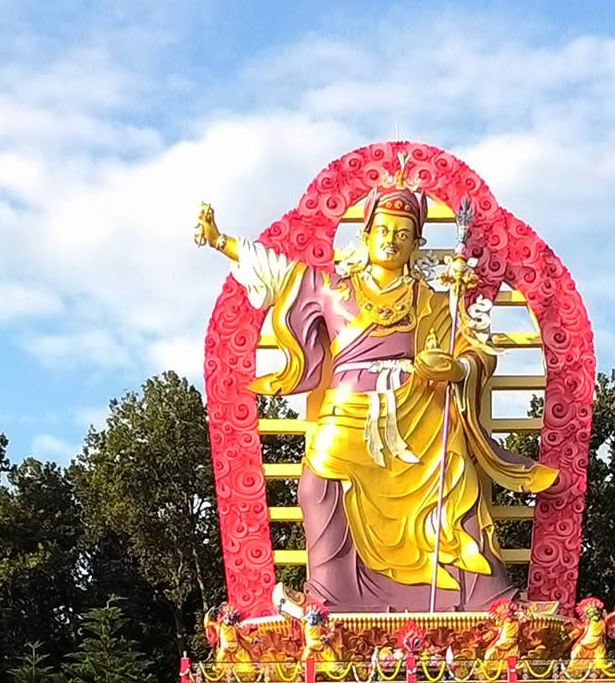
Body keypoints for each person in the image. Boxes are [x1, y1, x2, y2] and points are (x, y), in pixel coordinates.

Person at [195, 176, 556, 611]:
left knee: (457, 471)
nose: (392, 240)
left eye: (404, 234)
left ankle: (483, 598)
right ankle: (327, 597)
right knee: (317, 483)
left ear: (416, 244)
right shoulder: (334, 289)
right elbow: (276, 272)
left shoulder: (431, 299)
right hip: (349, 409)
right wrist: (221, 241)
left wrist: (456, 367)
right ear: (366, 235)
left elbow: (474, 351)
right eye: (383, 230)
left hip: (419, 409)